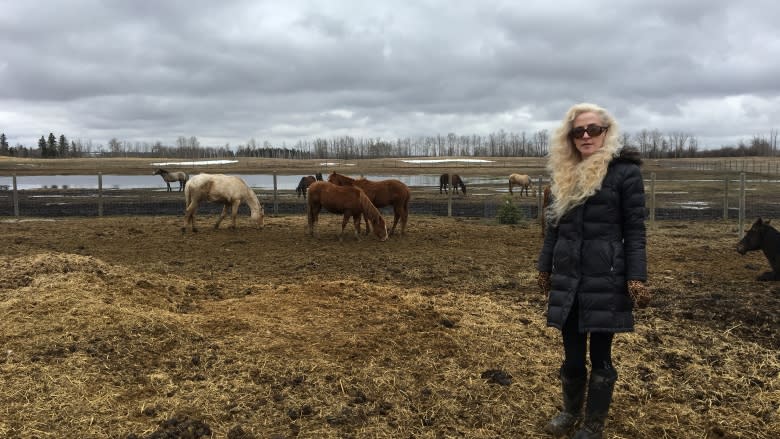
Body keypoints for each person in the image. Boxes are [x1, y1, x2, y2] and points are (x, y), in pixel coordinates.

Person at [536, 103, 651, 439]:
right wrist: (544, 269)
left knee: (601, 355)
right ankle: (571, 411)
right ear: (569, 138)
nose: (585, 136)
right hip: (568, 278)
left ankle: (593, 424)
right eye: (578, 131)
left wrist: (636, 277)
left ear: (606, 132)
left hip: (607, 279)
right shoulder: (564, 173)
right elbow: (553, 230)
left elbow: (635, 230)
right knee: (572, 356)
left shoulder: (625, 173)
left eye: (593, 130)